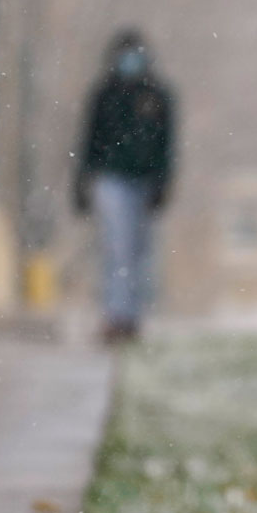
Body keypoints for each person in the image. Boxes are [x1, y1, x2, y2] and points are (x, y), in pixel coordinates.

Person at [75, 29, 177, 342]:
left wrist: (163, 182)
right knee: (115, 250)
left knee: (139, 252)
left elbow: (167, 145)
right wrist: (81, 182)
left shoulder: (158, 96)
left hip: (145, 182)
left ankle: (133, 318)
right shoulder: (105, 94)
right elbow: (89, 141)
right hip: (111, 179)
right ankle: (114, 316)